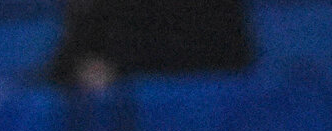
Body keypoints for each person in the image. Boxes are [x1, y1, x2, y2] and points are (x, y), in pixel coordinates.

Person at [44, 0, 255, 89]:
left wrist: (119, 68)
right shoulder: (98, 9)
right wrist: (81, 70)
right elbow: (68, 63)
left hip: (209, 119)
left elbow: (230, 54)